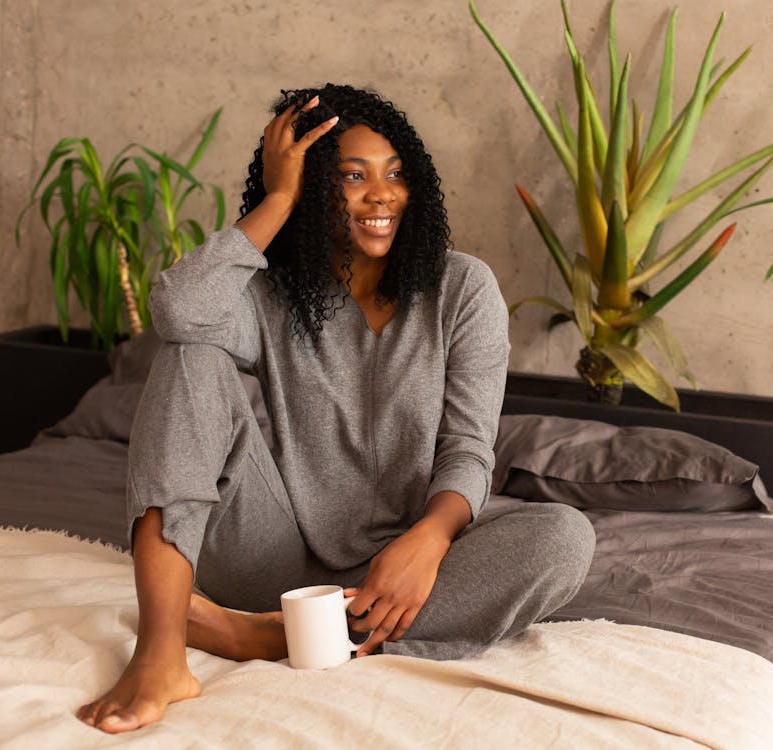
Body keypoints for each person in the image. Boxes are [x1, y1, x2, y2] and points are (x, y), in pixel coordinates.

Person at [76, 84, 596, 734]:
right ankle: (160, 654)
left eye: (396, 175)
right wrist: (278, 200)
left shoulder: (462, 289)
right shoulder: (269, 294)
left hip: (398, 575)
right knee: (191, 355)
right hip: (266, 555)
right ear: (316, 185)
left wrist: (428, 541)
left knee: (563, 537)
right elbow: (181, 313)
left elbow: (467, 447)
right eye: (352, 176)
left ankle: (274, 639)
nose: (381, 195)